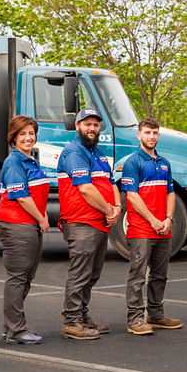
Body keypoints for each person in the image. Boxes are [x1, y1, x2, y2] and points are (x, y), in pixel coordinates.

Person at [57, 108, 120, 340]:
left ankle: (82, 316)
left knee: (92, 274)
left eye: (95, 125)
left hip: (100, 222)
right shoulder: (74, 152)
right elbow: (85, 188)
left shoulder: (99, 153)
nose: (92, 129)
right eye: (87, 124)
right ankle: (71, 321)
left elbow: (111, 182)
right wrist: (108, 209)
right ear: (77, 126)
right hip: (81, 221)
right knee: (80, 273)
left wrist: (117, 207)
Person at [120, 117, 182, 336]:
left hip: (163, 228)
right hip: (141, 228)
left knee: (160, 274)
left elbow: (170, 192)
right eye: (147, 132)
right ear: (139, 135)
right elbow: (132, 196)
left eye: (155, 133)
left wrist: (168, 218)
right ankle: (135, 318)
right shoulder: (132, 162)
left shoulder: (165, 163)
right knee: (138, 275)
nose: (151, 136)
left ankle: (155, 314)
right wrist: (153, 220)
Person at [0, 115, 49, 345]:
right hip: (17, 224)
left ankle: (11, 327)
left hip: (29, 224)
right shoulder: (14, 161)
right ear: (13, 138)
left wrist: (41, 217)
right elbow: (22, 197)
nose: (28, 138)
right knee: (18, 278)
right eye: (22, 134)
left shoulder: (29, 160)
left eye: (31, 133)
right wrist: (42, 218)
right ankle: (16, 330)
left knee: (25, 277)